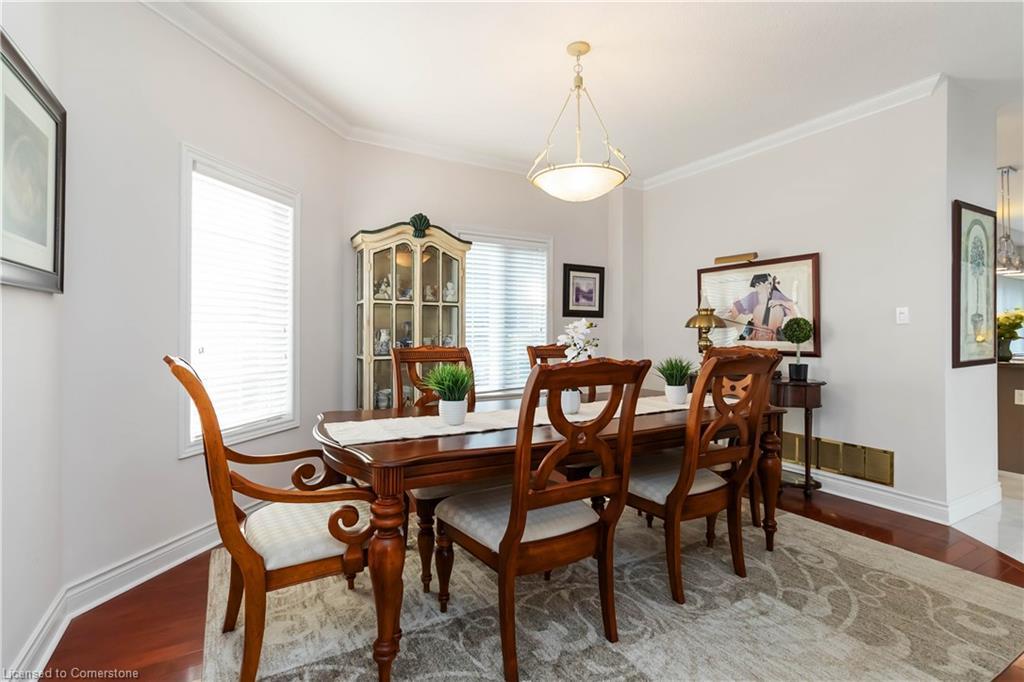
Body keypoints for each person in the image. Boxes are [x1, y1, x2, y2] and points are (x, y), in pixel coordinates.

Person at [727, 273, 800, 341]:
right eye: (755, 285)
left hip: (774, 339)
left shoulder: (777, 295)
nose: (756, 287)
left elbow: (795, 312)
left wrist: (781, 302)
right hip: (755, 338)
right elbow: (735, 310)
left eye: (759, 284)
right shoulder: (753, 295)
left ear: (768, 284)